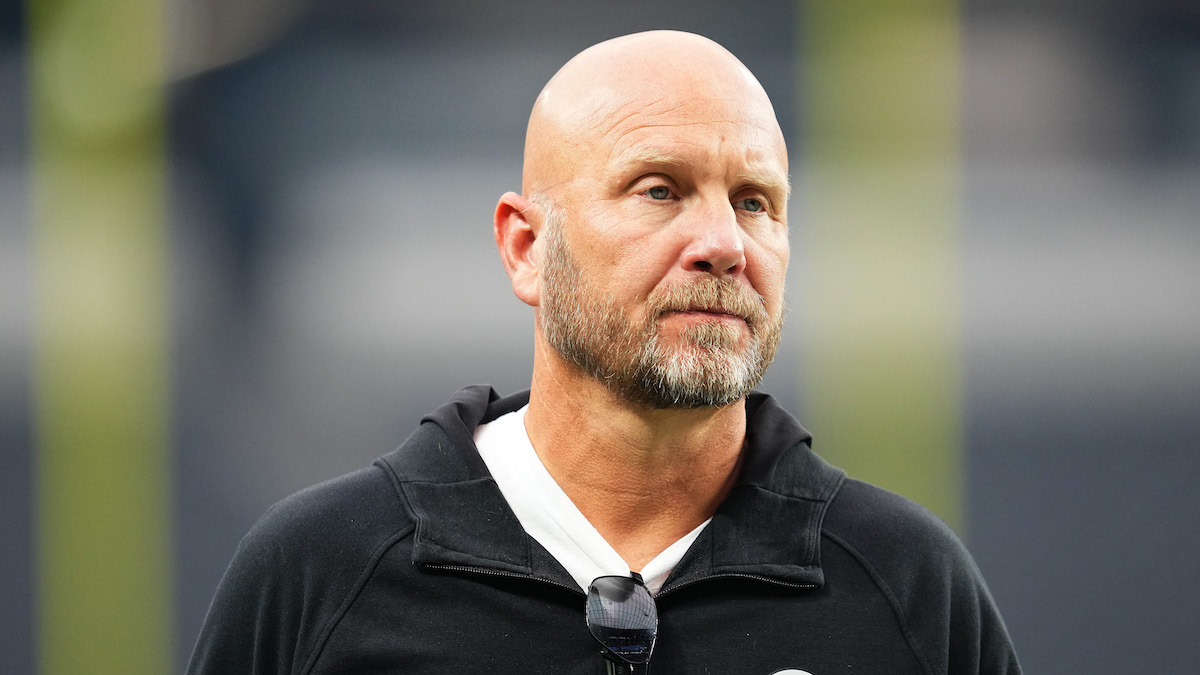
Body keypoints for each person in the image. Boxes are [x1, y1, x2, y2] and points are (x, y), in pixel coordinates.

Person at [187, 30, 1020, 674]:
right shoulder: (321, 573)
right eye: (660, 190)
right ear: (525, 247)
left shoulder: (906, 586)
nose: (725, 243)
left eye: (756, 201)